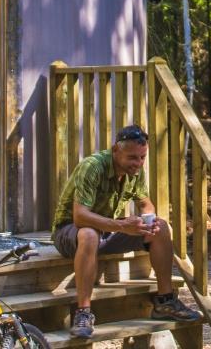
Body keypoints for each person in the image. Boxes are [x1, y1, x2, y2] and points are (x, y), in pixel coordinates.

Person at [53, 125, 202, 339]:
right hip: (70, 233)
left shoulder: (135, 171)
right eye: (133, 157)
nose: (138, 163)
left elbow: (145, 204)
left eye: (142, 157)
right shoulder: (93, 166)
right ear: (116, 150)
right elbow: (80, 217)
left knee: (161, 227)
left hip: (105, 231)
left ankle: (165, 302)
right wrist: (123, 226)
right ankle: (83, 313)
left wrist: (148, 222)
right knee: (89, 233)